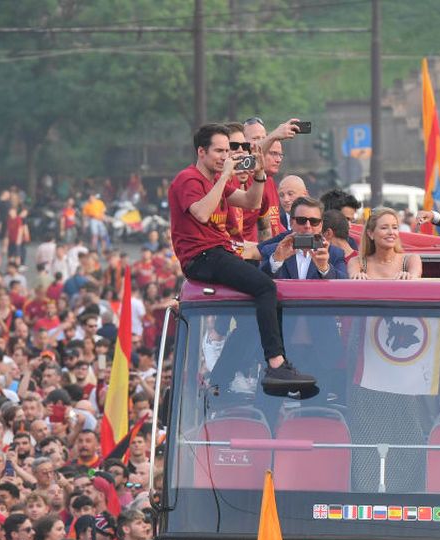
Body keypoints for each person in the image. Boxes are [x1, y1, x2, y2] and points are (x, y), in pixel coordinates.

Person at [169, 120, 316, 395]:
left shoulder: (215, 180)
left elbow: (250, 201)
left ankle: (223, 377)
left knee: (269, 294)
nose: (226, 157)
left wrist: (259, 174)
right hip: (202, 256)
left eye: (228, 151)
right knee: (265, 287)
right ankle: (275, 362)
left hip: (222, 252)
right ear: (201, 152)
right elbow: (200, 213)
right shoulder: (188, 179)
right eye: (219, 151)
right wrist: (225, 176)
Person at [264, 197, 348, 280]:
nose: (307, 226)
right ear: (291, 222)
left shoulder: (334, 253)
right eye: (301, 220)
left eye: (314, 221)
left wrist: (325, 269)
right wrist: (276, 262)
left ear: (321, 225)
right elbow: (259, 284)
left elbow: (344, 287)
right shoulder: (273, 251)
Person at [348, 207, 422, 280]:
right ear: (371, 233)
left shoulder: (411, 259)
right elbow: (353, 279)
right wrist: (357, 278)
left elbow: (414, 279)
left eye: (395, 227)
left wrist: (408, 278)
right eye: (384, 228)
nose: (391, 232)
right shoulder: (357, 262)